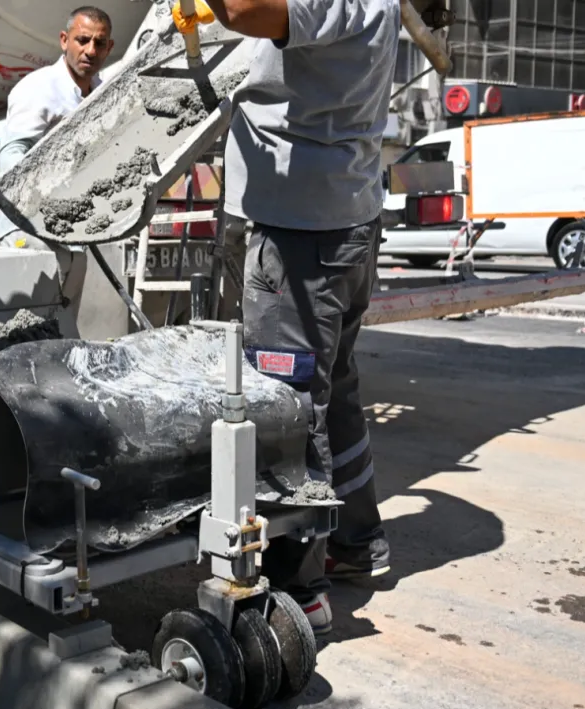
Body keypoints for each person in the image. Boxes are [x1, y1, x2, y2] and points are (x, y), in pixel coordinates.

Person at [174, 0, 397, 634]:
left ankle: (302, 583)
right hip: (345, 217)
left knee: (290, 407)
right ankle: (356, 540)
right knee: (335, 391)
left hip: (301, 232)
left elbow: (247, 9)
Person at [0, 5, 114, 246]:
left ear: (109, 47)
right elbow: (11, 158)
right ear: (64, 40)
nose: (91, 51)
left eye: (99, 43)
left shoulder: (104, 93)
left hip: (77, 232)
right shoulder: (39, 87)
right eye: (82, 40)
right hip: (31, 232)